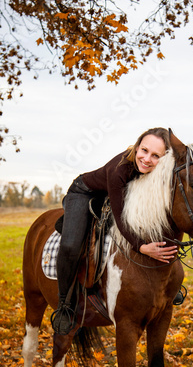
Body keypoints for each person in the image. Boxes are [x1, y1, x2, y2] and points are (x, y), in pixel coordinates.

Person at [51, 127, 183, 335]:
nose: (147, 159)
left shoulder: (160, 171)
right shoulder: (120, 169)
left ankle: (168, 286)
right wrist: (141, 246)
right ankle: (64, 304)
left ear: (165, 159)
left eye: (155, 155)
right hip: (86, 193)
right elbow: (121, 218)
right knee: (70, 245)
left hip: (120, 194)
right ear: (137, 146)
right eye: (144, 150)